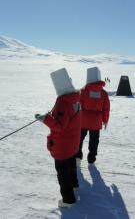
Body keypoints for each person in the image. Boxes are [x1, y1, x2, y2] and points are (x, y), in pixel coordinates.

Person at [35, 68, 81, 208]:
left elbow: (59, 126)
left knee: (63, 174)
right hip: (72, 143)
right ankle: (74, 186)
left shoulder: (63, 102)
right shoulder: (75, 99)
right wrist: (52, 116)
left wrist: (45, 119)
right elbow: (68, 119)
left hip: (63, 146)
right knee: (71, 166)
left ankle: (68, 200)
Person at [76, 67, 110, 165]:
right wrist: (105, 120)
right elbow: (106, 109)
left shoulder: (82, 91)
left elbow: (78, 106)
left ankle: (77, 157)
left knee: (79, 139)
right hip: (96, 121)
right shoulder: (104, 93)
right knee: (94, 141)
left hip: (83, 120)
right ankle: (91, 159)